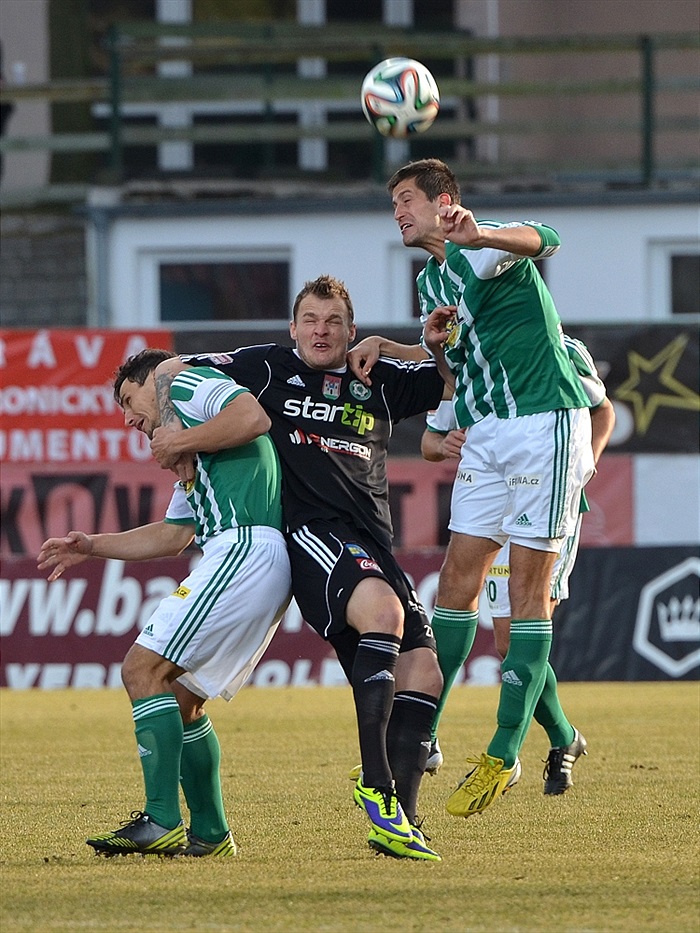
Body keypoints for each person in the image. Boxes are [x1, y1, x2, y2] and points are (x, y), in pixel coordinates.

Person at [149, 274, 446, 861]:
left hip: (374, 540)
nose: (321, 330)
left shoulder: (373, 377)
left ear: (351, 330)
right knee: (383, 613)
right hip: (311, 533)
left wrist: (412, 346)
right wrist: (175, 432)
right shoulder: (266, 367)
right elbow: (168, 368)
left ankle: (401, 824)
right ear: (292, 328)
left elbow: (449, 381)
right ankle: (376, 786)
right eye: (310, 320)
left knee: (425, 674)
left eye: (334, 321)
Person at [349, 157, 596, 819]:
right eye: (394, 202)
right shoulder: (433, 280)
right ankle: (425, 728)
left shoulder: (482, 250)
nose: (398, 212)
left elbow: (547, 237)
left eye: (407, 199)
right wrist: (414, 348)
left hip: (544, 421)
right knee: (456, 579)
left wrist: (481, 233)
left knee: (524, 594)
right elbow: (456, 370)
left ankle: (503, 748)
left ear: (444, 202)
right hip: (485, 434)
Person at [37, 349, 291, 857]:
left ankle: (161, 819)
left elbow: (252, 416)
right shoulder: (192, 453)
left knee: (140, 670)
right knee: (181, 699)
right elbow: (175, 535)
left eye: (129, 401)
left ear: (149, 380)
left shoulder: (184, 383)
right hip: (244, 553)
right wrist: (93, 546)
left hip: (243, 547)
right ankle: (212, 833)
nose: (129, 418)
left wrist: (178, 440)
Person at [421, 334, 615, 794]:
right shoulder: (471, 355)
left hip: (544, 496)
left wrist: (582, 467)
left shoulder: (559, 348)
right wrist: (443, 443)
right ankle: (565, 738)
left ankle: (508, 753)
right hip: (493, 508)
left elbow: (603, 409)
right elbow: (430, 441)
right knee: (500, 639)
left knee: (511, 640)